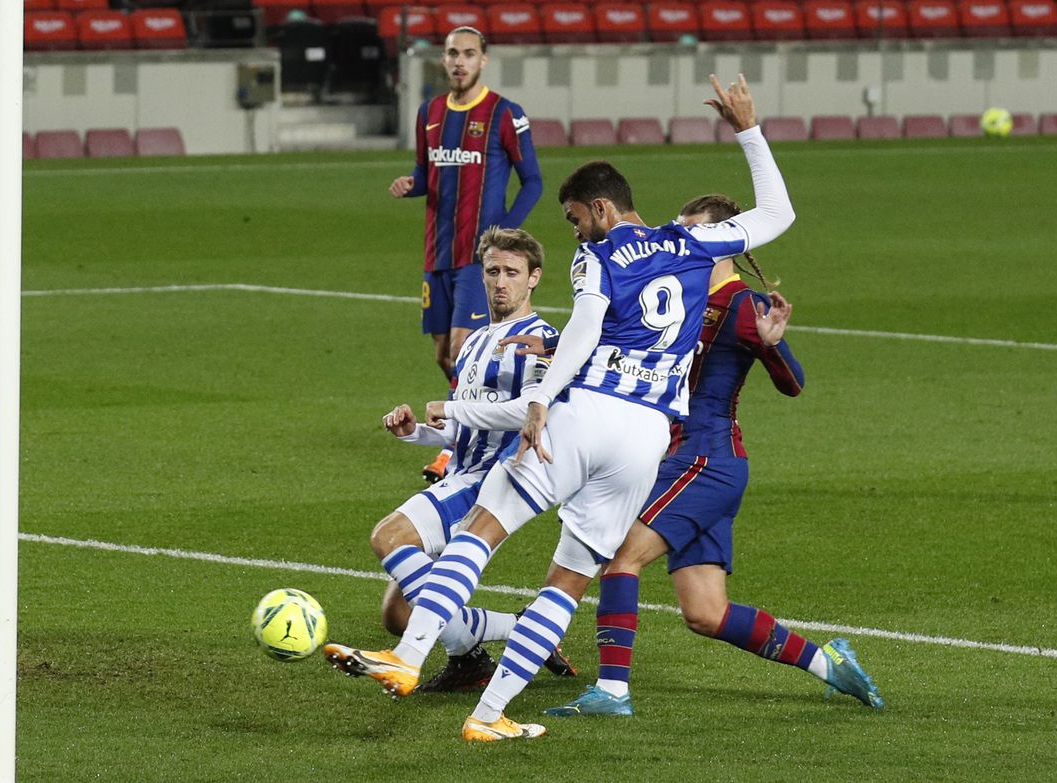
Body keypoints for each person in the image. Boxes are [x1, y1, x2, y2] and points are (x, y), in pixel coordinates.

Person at [326, 74, 797, 741]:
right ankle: (489, 716)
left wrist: (544, 397)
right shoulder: (694, 244)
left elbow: (581, 330)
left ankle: (407, 658)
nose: (575, 230)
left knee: (483, 529)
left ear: (600, 210)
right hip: (645, 439)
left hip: (590, 410)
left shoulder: (599, 254)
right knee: (568, 579)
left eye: (575, 218)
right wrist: (748, 128)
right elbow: (779, 215)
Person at [497, 195, 883, 716]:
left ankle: (612, 691)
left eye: (692, 231)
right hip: (687, 460)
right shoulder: (681, 293)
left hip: (704, 459)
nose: (679, 240)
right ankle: (830, 664)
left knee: (618, 554)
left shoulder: (740, 304)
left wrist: (771, 344)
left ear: (726, 241)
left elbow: (794, 383)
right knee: (706, 612)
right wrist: (557, 351)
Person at [370, 226, 574, 692]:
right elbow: (462, 427)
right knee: (398, 615)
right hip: (459, 472)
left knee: (387, 536)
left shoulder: (544, 344)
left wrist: (453, 407)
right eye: (492, 271)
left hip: (491, 483)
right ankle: (515, 633)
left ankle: (473, 655)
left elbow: (531, 413)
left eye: (512, 272)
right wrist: (417, 432)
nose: (501, 282)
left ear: (534, 278)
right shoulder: (476, 342)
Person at [390, 26, 544, 483]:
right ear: (443, 59)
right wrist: (410, 185)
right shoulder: (430, 112)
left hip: (477, 259)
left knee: (462, 351)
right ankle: (477, 429)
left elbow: (532, 179)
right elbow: (425, 171)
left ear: (484, 60)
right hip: (437, 251)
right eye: (452, 53)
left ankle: (454, 449)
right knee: (444, 354)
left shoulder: (503, 113)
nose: (459, 61)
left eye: (468, 54)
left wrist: (507, 234)